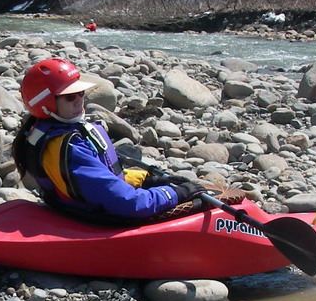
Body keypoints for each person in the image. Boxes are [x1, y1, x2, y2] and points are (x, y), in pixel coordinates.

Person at [11, 58, 207, 224]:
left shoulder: (41, 131)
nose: (79, 100)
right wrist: (175, 194)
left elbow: (104, 176)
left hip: (74, 205)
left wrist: (149, 180)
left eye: (80, 93)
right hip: (98, 217)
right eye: (70, 97)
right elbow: (130, 204)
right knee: (199, 205)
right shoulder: (70, 148)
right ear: (46, 104)